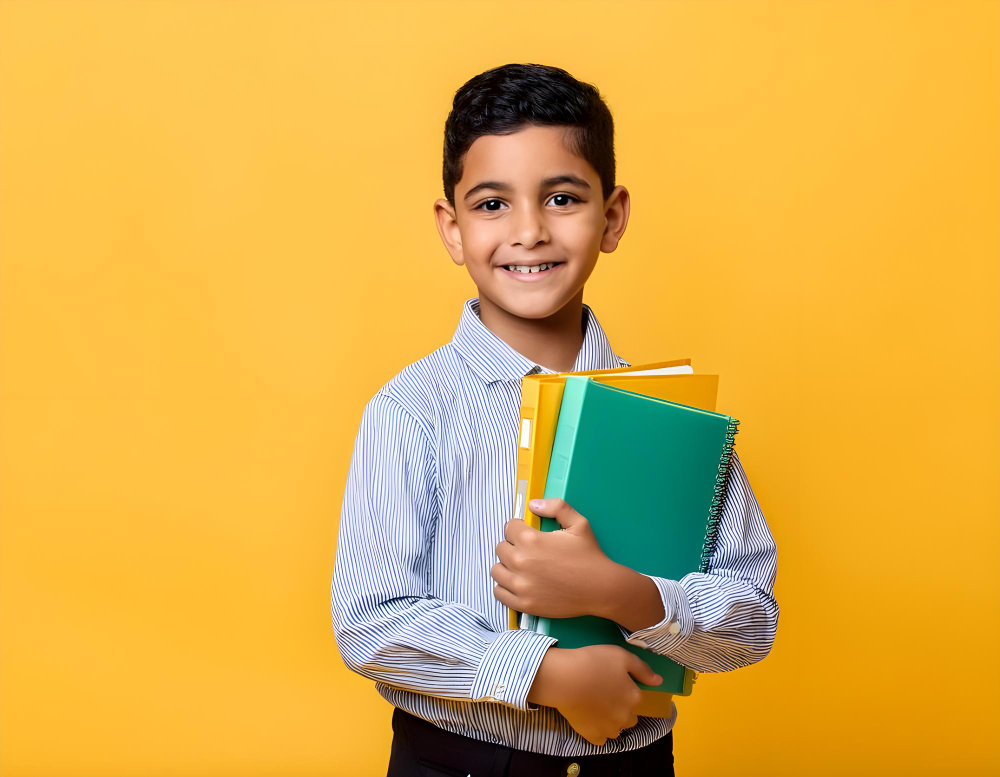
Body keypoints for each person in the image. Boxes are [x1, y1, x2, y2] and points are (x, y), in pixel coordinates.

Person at [330, 62, 779, 777]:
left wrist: (621, 593)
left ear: (613, 216)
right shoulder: (412, 408)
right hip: (458, 763)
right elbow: (369, 620)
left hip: (631, 763)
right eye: (492, 205)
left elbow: (753, 618)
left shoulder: (672, 415)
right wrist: (543, 672)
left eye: (562, 197)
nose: (530, 231)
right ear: (452, 228)